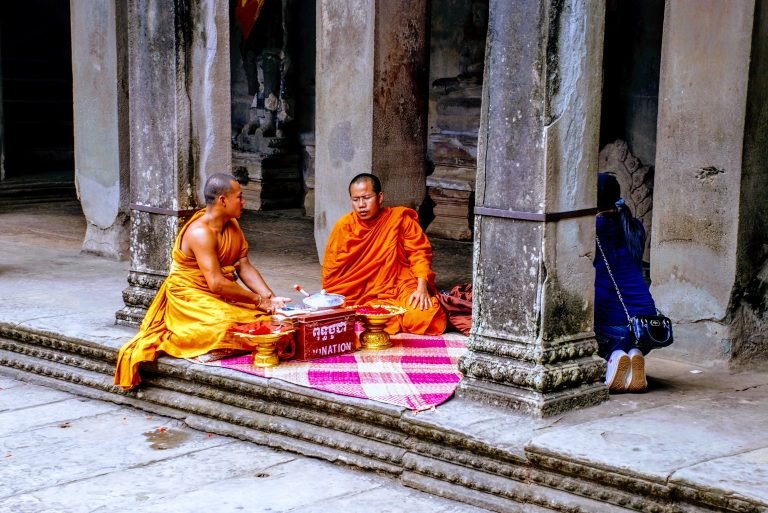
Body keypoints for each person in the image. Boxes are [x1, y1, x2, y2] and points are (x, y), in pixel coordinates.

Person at [114, 173, 291, 389]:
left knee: (274, 319)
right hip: (190, 296)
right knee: (226, 324)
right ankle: (194, 343)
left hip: (220, 294)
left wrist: (269, 298)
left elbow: (243, 264)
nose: (244, 202)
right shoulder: (200, 232)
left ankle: (219, 345)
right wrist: (257, 300)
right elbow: (216, 282)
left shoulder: (232, 223)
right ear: (222, 201)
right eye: (240, 197)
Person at [322, 173, 447, 335]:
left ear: (380, 197)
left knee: (422, 316)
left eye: (366, 198)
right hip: (360, 293)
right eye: (356, 200)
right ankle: (391, 317)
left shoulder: (400, 220)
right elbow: (332, 271)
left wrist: (422, 287)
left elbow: (419, 254)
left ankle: (395, 316)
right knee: (335, 313)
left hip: (399, 284)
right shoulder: (344, 227)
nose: (361, 205)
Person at [594, 172, 658, 393]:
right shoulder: (635, 227)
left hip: (615, 328)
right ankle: (634, 355)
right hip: (648, 329)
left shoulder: (592, 231)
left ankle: (614, 356)